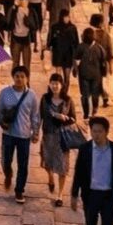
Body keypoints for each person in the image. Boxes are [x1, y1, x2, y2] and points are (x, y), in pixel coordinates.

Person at [0, 65, 41, 203]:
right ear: (13, 77)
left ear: (27, 78)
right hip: (8, 133)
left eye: (22, 76)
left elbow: (35, 116)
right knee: (5, 161)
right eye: (17, 76)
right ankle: (8, 174)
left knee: (23, 164)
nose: (19, 79)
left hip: (24, 135)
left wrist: (36, 132)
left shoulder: (31, 95)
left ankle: (19, 190)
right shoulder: (5, 93)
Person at [40, 73, 76, 207]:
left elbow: (74, 119)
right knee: (47, 162)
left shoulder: (68, 100)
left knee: (62, 167)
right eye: (53, 83)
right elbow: (40, 116)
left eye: (57, 83)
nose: (55, 86)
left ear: (62, 85)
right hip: (48, 136)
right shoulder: (45, 99)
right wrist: (36, 132)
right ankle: (50, 178)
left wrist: (64, 118)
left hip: (62, 138)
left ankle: (60, 195)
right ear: (49, 84)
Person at [74, 28, 108, 120]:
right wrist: (104, 73)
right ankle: (94, 111)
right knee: (95, 94)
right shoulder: (99, 48)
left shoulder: (81, 47)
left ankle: (86, 113)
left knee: (85, 95)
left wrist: (75, 70)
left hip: (84, 74)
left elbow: (76, 59)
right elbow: (103, 62)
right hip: (96, 75)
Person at [48, 8, 80, 92]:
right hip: (58, 54)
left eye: (68, 17)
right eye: (65, 17)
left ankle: (65, 92)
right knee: (58, 76)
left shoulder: (73, 28)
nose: (67, 19)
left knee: (67, 77)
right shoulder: (55, 27)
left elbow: (76, 42)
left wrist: (76, 56)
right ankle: (58, 91)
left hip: (68, 55)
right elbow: (51, 41)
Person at [6, 0, 39, 72]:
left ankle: (26, 82)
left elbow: (36, 26)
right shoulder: (13, 9)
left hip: (26, 39)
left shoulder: (31, 11)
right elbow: (8, 24)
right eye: (24, 0)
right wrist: (14, 9)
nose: (26, 2)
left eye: (26, 0)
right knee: (15, 63)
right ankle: (15, 81)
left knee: (26, 64)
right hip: (15, 39)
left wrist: (28, 22)